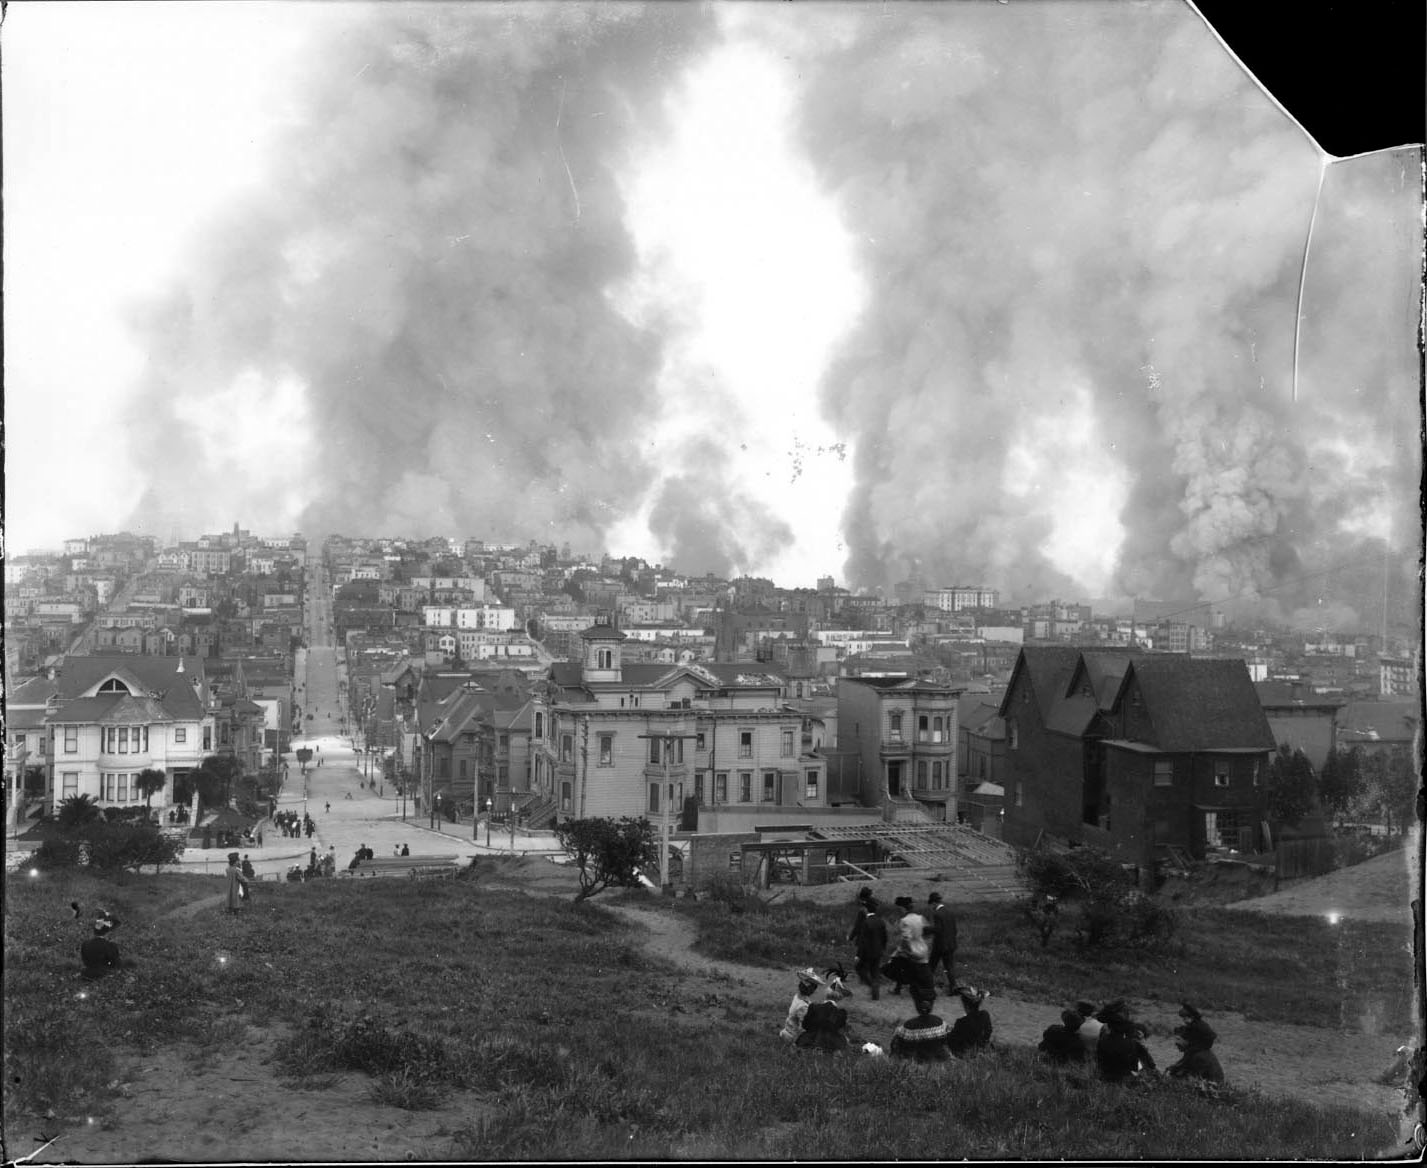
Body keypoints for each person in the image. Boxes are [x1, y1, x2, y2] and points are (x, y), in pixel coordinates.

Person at [1166, 1003, 1224, 1084]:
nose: (1176, 1043)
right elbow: (1184, 1062)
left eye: (1179, 1039)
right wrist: (1174, 1067)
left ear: (1188, 1040)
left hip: (1212, 1087)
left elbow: (1194, 1076)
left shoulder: (1199, 1055)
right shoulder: (1192, 1051)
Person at [889, 987, 952, 1062]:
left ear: (916, 1004)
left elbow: (895, 1050)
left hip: (913, 1069)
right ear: (932, 1005)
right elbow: (949, 1044)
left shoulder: (906, 1028)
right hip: (939, 1068)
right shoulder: (941, 1024)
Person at [850, 894, 889, 1000]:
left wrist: (858, 955)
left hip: (867, 952)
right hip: (878, 951)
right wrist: (883, 949)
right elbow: (885, 938)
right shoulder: (881, 921)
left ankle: (871, 985)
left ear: (866, 909)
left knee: (859, 968)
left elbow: (863, 941)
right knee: (875, 971)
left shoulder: (866, 923)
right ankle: (875, 990)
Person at [779, 969, 825, 1043]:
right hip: (793, 1036)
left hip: (788, 1030)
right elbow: (803, 1028)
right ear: (811, 990)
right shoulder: (803, 1007)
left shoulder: (797, 997)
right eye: (814, 988)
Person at [946, 986, 993, 1057]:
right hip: (983, 1047)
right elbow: (988, 1031)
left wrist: (949, 1032)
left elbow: (953, 1041)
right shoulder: (985, 1014)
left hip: (967, 1052)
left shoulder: (961, 1022)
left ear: (966, 1006)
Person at [926, 890, 958, 993]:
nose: (931, 907)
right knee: (949, 967)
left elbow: (938, 929)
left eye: (931, 905)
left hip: (940, 945)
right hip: (951, 944)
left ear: (934, 903)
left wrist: (926, 929)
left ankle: (927, 987)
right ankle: (953, 987)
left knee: (931, 966)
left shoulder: (937, 914)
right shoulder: (950, 912)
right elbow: (954, 930)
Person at [80, 908, 124, 978]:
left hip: (86, 973)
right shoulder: (110, 946)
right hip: (103, 975)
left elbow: (85, 961)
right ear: (107, 932)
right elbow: (115, 964)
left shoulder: (85, 944)